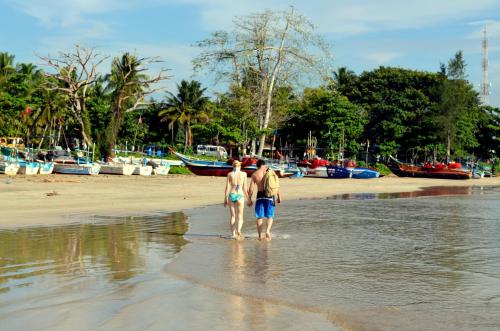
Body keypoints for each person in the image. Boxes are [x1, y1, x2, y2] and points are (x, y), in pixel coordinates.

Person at [248, 160, 281, 241]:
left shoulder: (255, 174)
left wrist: (249, 199)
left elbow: (251, 189)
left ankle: (259, 236)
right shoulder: (270, 172)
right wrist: (279, 196)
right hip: (270, 196)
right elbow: (275, 185)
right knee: (270, 216)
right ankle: (267, 231)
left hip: (260, 197)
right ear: (263, 165)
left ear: (257, 166)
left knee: (260, 217)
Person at [224, 160, 249, 239]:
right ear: (240, 166)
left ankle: (233, 234)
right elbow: (245, 188)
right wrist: (248, 198)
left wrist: (225, 197)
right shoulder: (244, 174)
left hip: (232, 194)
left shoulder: (230, 174)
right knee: (240, 216)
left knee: (232, 216)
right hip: (240, 195)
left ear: (233, 166)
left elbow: (227, 187)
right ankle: (239, 230)